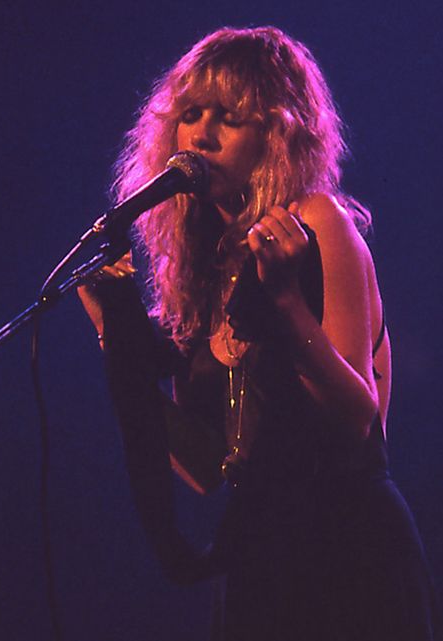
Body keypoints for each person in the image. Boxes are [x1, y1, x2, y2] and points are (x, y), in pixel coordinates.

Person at [78, 26, 441, 641]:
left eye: (229, 117)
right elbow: (202, 468)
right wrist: (113, 336)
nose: (201, 134)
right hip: (257, 558)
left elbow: (360, 418)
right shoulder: (205, 270)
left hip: (346, 548)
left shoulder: (319, 222)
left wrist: (286, 303)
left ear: (277, 133)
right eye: (190, 115)